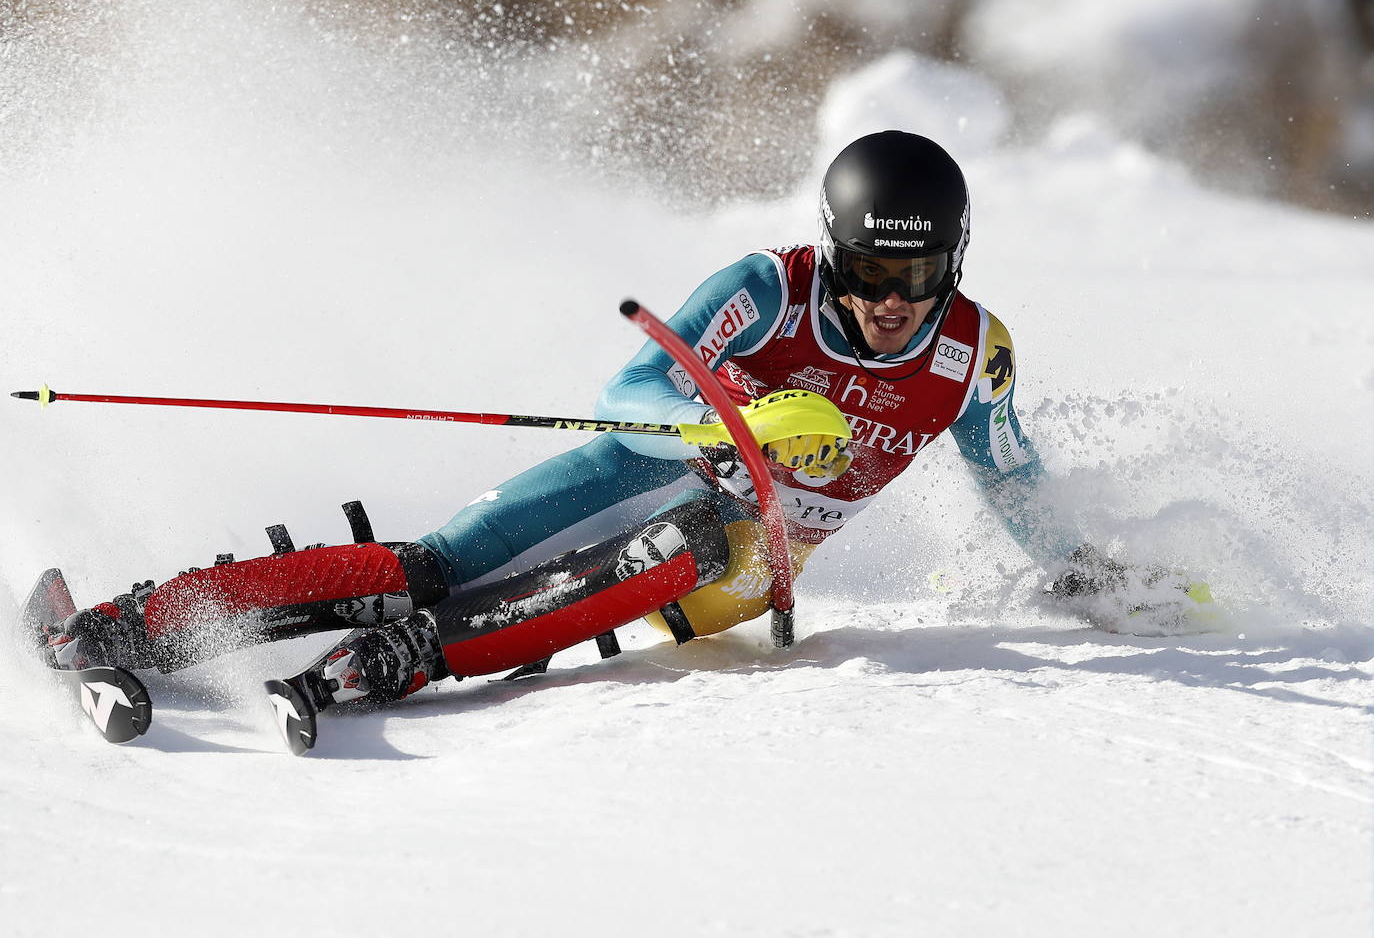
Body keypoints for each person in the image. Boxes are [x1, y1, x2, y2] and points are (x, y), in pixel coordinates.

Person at [29, 131, 1208, 751]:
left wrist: (1072, 563)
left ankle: (406, 659)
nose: (891, 299)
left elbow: (1012, 478)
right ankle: (137, 620)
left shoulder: (972, 352)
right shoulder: (764, 289)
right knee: (448, 551)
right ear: (832, 251)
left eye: (915, 271)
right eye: (869, 269)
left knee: (703, 543)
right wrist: (729, 419)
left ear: (953, 256)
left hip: (756, 557)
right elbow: (635, 382)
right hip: (658, 455)